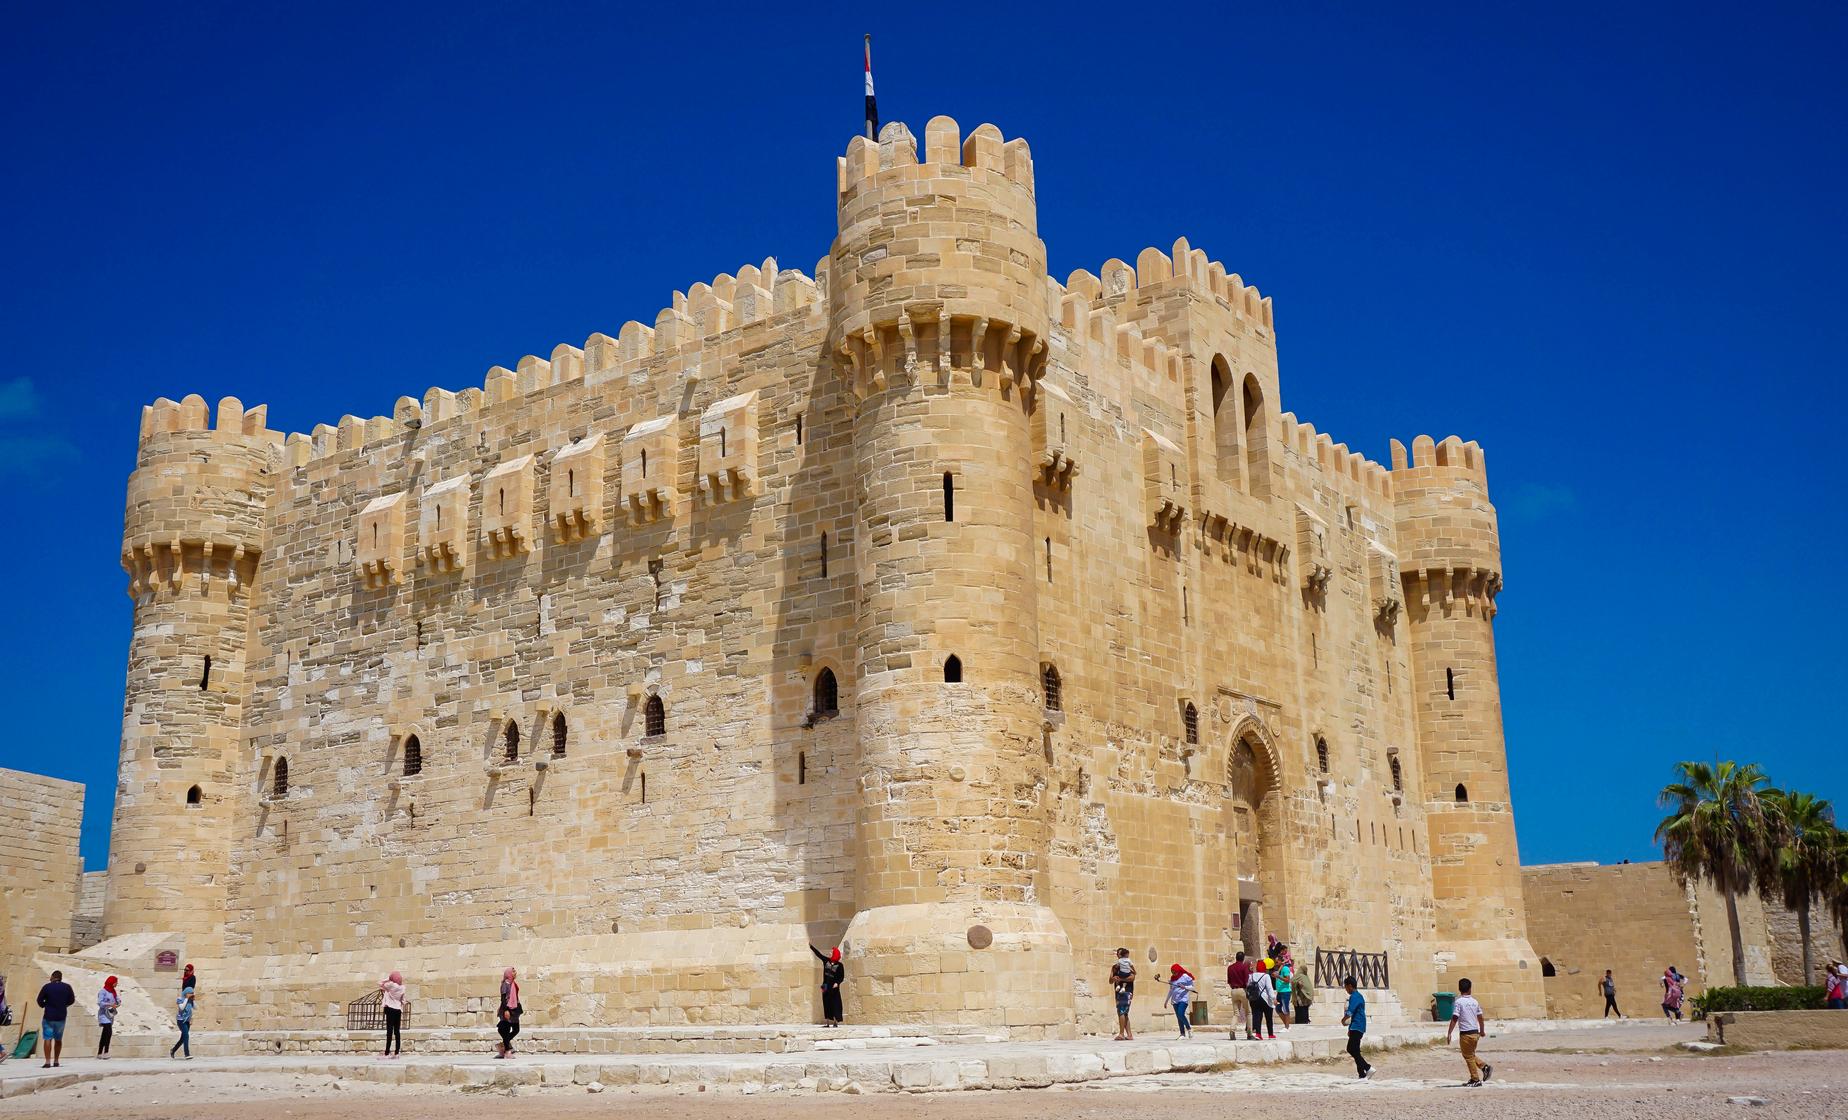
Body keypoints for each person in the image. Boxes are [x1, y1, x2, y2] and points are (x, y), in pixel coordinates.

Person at [1446, 977, 1492, 1086]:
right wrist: (1482, 1031)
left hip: (1466, 1034)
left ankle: (1475, 1079)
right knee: (1470, 1054)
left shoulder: (1459, 1002)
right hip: (1475, 1033)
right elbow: (1480, 1017)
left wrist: (1449, 1033)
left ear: (1459, 989)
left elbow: (1454, 1018)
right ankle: (1484, 1068)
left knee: (1468, 1056)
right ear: (1470, 989)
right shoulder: (1474, 1002)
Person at [35, 970, 77, 1068]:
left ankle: (47, 1062)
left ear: (53, 977)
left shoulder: (47, 987)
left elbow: (39, 1000)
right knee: (58, 1039)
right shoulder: (67, 987)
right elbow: (72, 1000)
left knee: (47, 1038)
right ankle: (56, 1061)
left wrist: (45, 1005)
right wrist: (63, 1005)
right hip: (61, 1016)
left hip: (49, 1016)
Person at [1339, 976, 1372, 1079]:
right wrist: (1350, 1029)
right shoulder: (1358, 996)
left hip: (1358, 1025)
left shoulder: (1355, 996)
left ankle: (1367, 1067)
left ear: (1350, 986)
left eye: (1346, 987)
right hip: (1356, 1026)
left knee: (1351, 1048)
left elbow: (1350, 1011)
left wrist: (1343, 1020)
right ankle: (1362, 1074)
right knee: (1356, 1050)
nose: (1346, 989)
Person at [810, 944, 845, 1027]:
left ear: (835, 954)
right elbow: (819, 954)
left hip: (834, 988)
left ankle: (836, 1022)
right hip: (825, 986)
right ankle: (828, 1023)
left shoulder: (840, 965)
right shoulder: (826, 961)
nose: (829, 953)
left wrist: (837, 983)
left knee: (835, 1004)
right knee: (826, 1004)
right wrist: (811, 946)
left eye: (831, 952)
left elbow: (841, 977)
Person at [1109, 948, 1137, 1041]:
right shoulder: (1114, 967)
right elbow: (1110, 980)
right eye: (1118, 954)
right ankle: (1129, 1035)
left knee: (1121, 1011)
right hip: (1118, 992)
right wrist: (1114, 978)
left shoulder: (1128, 966)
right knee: (1124, 1013)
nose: (1119, 955)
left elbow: (1132, 977)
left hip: (1127, 991)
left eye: (1120, 954)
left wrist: (1121, 979)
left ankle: (1121, 1034)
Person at [495, 967, 522, 1057]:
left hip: (515, 1008)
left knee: (516, 1029)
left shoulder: (513, 983)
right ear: (509, 973)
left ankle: (503, 1044)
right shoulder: (506, 984)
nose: (515, 972)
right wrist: (506, 1010)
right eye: (513, 971)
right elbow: (503, 997)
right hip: (508, 1008)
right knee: (504, 1029)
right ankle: (507, 1050)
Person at [1226, 951, 1253, 1040]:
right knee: (1248, 1012)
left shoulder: (1230, 968)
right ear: (1243, 958)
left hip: (1233, 990)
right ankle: (1249, 1033)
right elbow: (1247, 980)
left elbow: (1229, 981)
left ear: (1236, 958)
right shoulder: (1244, 967)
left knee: (1236, 1013)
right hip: (1242, 990)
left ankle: (1232, 1031)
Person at [379, 971, 406, 1058]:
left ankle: (387, 1052)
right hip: (398, 1010)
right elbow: (403, 1001)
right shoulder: (402, 987)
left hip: (390, 1009)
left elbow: (380, 983)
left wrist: (388, 978)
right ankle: (397, 1052)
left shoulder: (391, 985)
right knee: (397, 1031)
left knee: (389, 1031)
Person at [1162, 964, 1194, 1037]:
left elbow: (1192, 987)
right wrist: (1166, 1001)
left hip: (1183, 999)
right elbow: (1171, 991)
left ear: (1178, 971)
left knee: (1180, 1013)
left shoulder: (1185, 976)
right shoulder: (1172, 979)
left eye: (1175, 972)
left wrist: (1185, 987)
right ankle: (1182, 1034)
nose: (1174, 974)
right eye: (1172, 972)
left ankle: (1188, 1028)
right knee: (1178, 1017)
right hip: (1175, 1000)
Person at [1250, 959, 1277, 1039]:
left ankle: (1258, 1033)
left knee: (1257, 1016)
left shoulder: (1251, 975)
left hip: (1255, 998)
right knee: (1268, 1016)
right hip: (1265, 998)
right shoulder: (1266, 976)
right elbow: (1269, 988)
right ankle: (1270, 1034)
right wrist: (1273, 998)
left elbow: (1249, 985)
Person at [96, 976, 121, 1058]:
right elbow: (100, 1002)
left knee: (105, 1034)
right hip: (104, 1015)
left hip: (110, 1014)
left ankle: (100, 1053)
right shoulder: (103, 992)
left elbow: (117, 1000)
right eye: (115, 982)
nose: (116, 983)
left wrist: (118, 1003)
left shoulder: (113, 992)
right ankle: (106, 1052)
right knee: (108, 1032)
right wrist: (109, 1004)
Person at [171, 984, 195, 1059]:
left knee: (183, 1038)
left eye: (192, 993)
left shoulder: (190, 1000)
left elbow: (196, 1008)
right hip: (181, 1021)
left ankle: (173, 1050)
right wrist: (186, 999)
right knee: (186, 1036)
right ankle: (187, 1054)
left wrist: (193, 1000)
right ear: (186, 993)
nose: (191, 994)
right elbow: (181, 1008)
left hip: (187, 1021)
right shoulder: (180, 999)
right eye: (190, 993)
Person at [1274, 944, 1294, 1030]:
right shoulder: (1278, 970)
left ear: (1281, 961)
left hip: (1285, 991)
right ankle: (1286, 1024)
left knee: (1286, 1008)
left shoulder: (1285, 969)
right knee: (1278, 1009)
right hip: (1280, 992)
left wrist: (1278, 977)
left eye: (1277, 961)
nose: (1275, 963)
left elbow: (1287, 980)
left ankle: (1287, 1026)